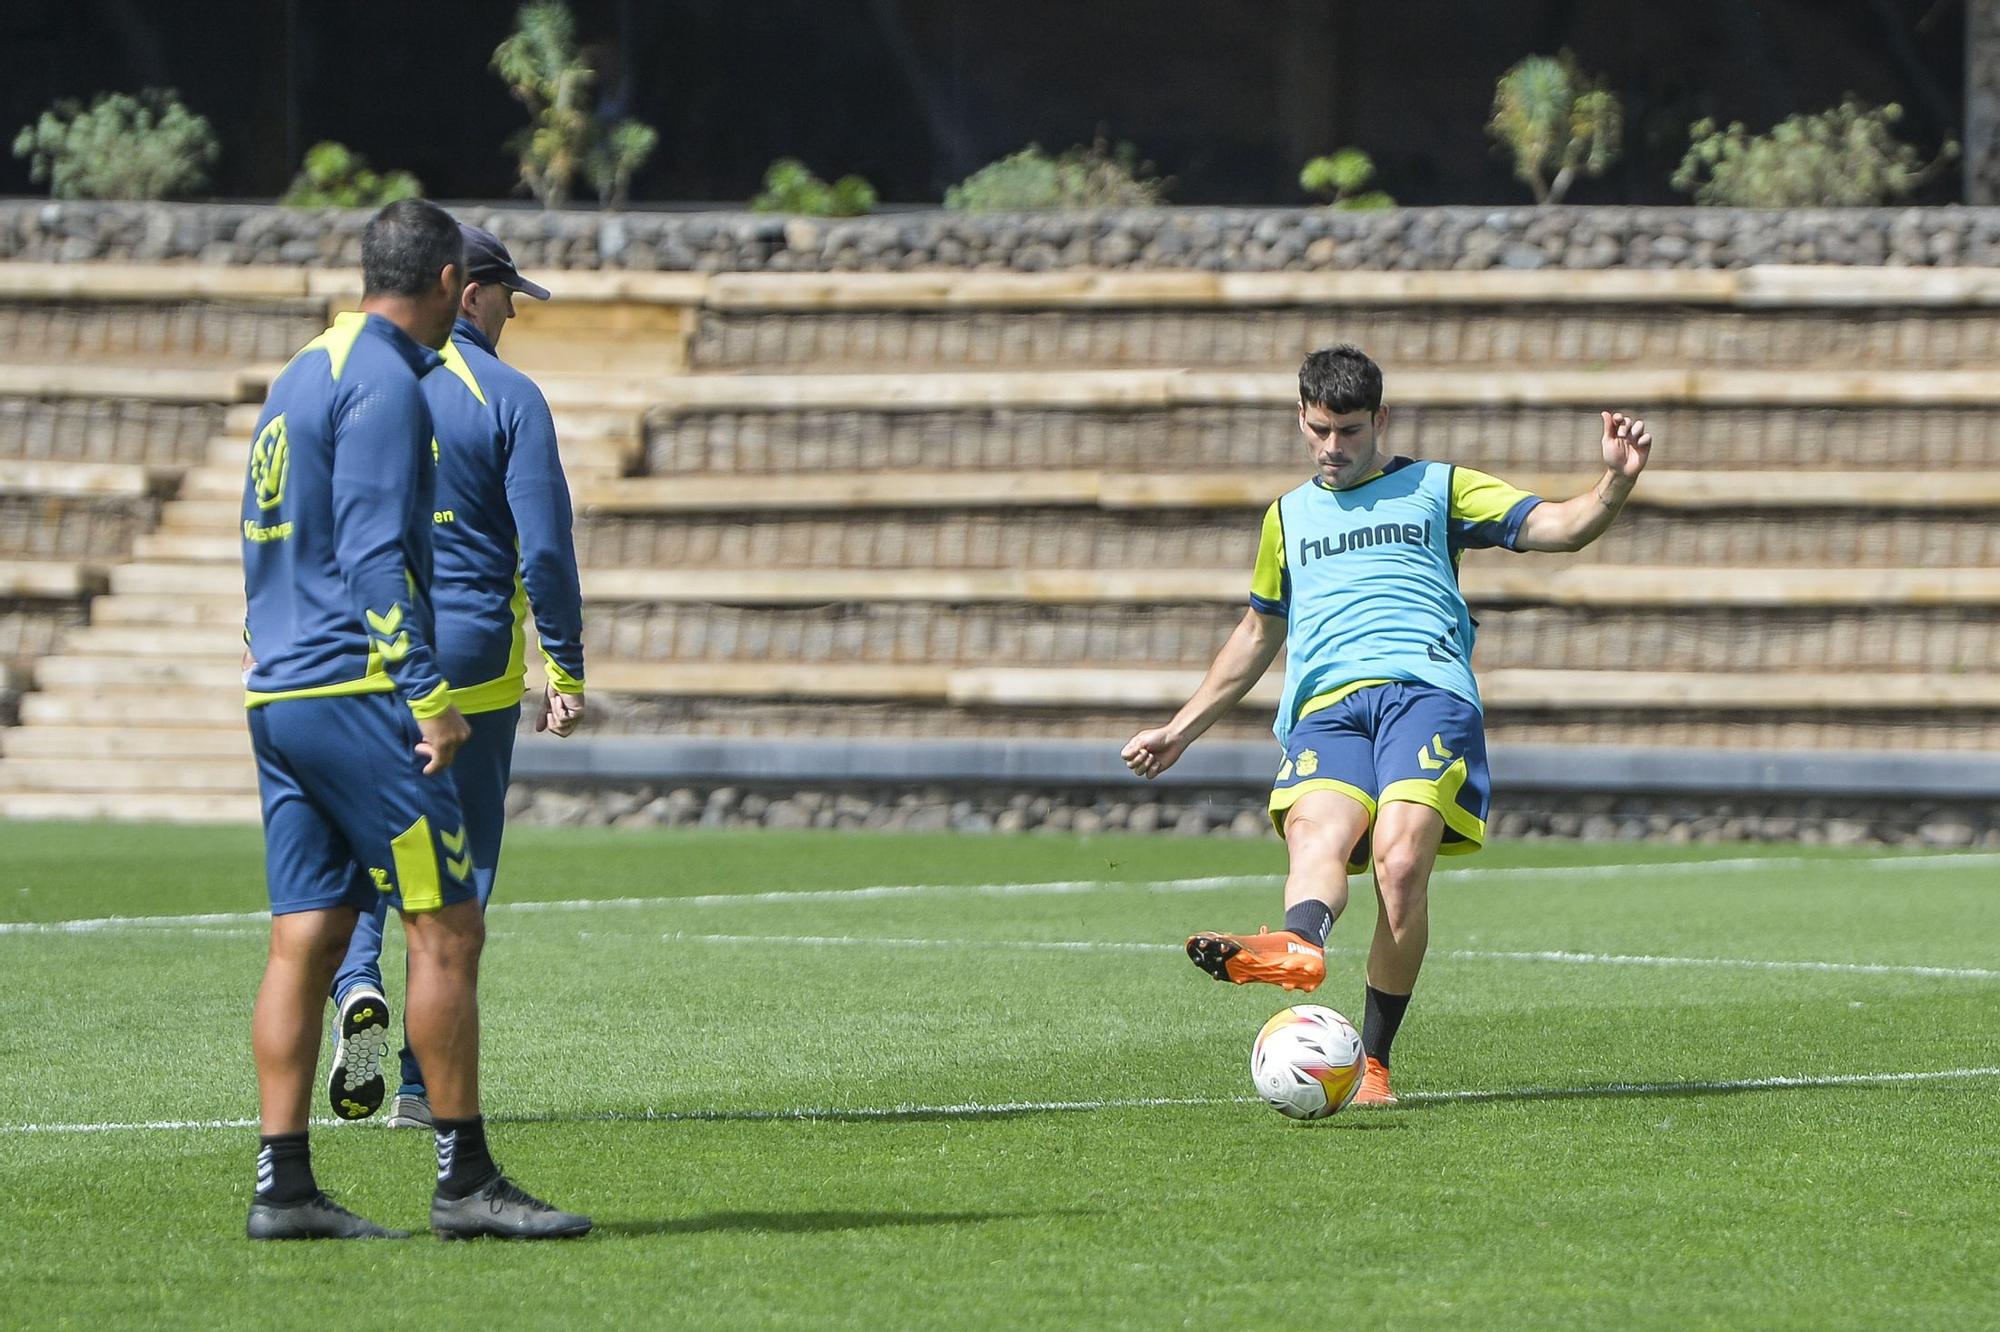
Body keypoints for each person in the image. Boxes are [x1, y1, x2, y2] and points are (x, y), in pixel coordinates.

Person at [1120, 344, 1652, 1106]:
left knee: (1400, 869)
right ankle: (1300, 948)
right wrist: (1182, 728)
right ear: (1302, 422)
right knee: (1317, 835)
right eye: (1318, 431)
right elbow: (1255, 634)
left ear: (1382, 421)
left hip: (1425, 695)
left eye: (1349, 432)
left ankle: (1372, 1063)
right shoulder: (1286, 517)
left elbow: (1561, 528)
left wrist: (1615, 481)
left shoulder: (1438, 488)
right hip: (1327, 708)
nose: (1332, 448)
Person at [240, 199, 588, 1240]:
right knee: (448, 927)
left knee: (306, 933)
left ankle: (285, 1188)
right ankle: (462, 1180)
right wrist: (426, 699)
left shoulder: (302, 369)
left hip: (282, 692)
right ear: (450, 283)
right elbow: (372, 552)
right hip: (364, 691)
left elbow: (260, 527)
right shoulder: (395, 380)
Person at [327, 223, 587, 1132]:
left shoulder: (356, 382)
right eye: (509, 298)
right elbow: (545, 550)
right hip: (471, 664)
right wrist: (567, 663)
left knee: (363, 849)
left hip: (365, 651)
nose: (513, 316)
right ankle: (416, 1085)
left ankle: (357, 985)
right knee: (454, 881)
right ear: (467, 291)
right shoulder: (510, 395)